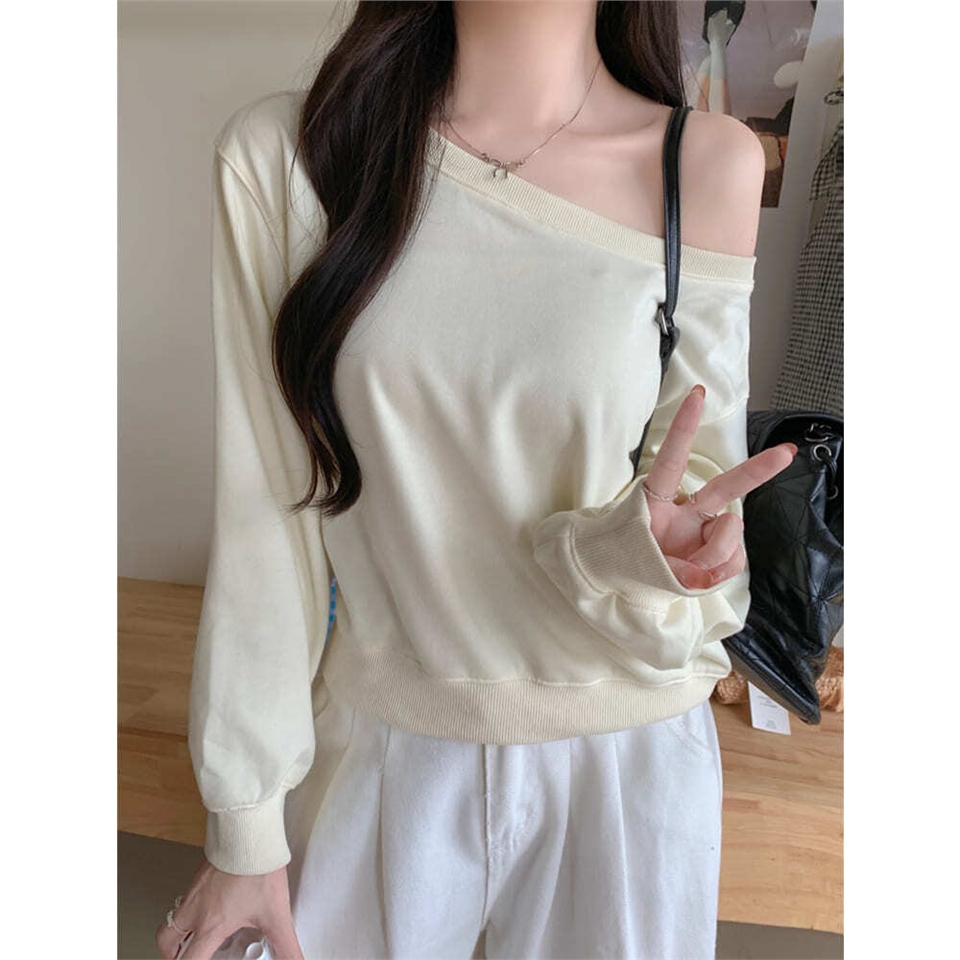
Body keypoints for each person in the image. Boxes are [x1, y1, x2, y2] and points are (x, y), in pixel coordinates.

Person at [156, 2, 793, 958]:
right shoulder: (292, 158)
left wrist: (656, 554)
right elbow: (266, 513)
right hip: (381, 747)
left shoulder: (703, 164)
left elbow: (698, 484)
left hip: (625, 769)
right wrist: (245, 822)